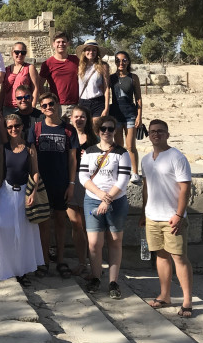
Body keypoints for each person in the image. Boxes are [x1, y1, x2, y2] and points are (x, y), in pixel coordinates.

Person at [141, 119, 193, 318]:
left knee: (179, 258)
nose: (156, 134)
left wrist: (179, 214)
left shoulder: (177, 157)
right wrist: (143, 213)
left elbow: (185, 188)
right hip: (152, 216)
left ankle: (187, 300)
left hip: (172, 217)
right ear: (149, 135)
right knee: (161, 256)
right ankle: (165, 295)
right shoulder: (146, 159)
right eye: (153, 131)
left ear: (167, 134)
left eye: (161, 131)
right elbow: (147, 188)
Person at [0, 114, 44, 285]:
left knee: (23, 233)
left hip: (25, 192)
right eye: (9, 127)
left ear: (22, 126)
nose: (13, 129)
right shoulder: (4, 148)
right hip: (6, 191)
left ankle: (21, 271)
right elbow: (0, 171)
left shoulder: (30, 147)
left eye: (16, 126)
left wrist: (32, 193)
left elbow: (35, 171)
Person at [79, 115, 131, 298]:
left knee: (115, 241)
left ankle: (113, 282)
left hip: (116, 201)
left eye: (110, 128)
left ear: (115, 130)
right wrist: (101, 196)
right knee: (94, 243)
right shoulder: (89, 151)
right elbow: (83, 177)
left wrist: (107, 200)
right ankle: (95, 277)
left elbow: (124, 178)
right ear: (98, 131)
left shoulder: (122, 153)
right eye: (104, 129)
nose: (107, 132)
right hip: (93, 199)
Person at [29, 92, 78, 279]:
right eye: (44, 105)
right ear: (41, 108)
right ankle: (44, 261)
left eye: (51, 104)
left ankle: (60, 259)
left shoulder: (68, 130)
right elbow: (32, 156)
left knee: (60, 222)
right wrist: (34, 183)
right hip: (42, 184)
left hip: (61, 182)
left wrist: (71, 183)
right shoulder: (36, 128)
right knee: (43, 223)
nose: (48, 108)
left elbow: (73, 159)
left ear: (57, 104)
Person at [68, 105, 98, 277]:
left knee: (89, 226)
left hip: (88, 183)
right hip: (70, 182)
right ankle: (81, 262)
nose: (79, 119)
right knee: (76, 224)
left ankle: (93, 263)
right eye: (76, 116)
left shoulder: (93, 139)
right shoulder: (66, 135)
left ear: (87, 119)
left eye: (82, 117)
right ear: (71, 118)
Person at [109, 51, 143, 184]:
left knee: (130, 146)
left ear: (128, 61)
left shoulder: (133, 77)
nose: (121, 63)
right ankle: (121, 171)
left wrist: (139, 116)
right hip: (116, 115)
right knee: (118, 146)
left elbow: (138, 98)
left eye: (124, 60)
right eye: (118, 60)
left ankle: (135, 173)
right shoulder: (111, 78)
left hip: (130, 115)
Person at [39, 32, 79, 120]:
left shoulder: (76, 60)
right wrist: (46, 102)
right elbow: (40, 84)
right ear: (53, 44)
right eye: (58, 42)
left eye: (63, 42)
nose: (61, 44)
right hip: (56, 106)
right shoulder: (47, 63)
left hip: (75, 105)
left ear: (68, 43)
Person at [75, 40, 110, 127]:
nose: (91, 52)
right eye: (88, 49)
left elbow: (106, 88)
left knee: (96, 130)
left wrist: (106, 108)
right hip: (83, 102)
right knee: (84, 130)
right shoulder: (79, 66)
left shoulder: (103, 66)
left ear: (97, 52)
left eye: (94, 50)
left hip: (98, 101)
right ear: (84, 52)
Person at [0, 42, 39, 116]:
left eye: (23, 52)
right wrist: (0, 108)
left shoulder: (30, 68)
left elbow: (35, 88)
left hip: (24, 107)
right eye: (17, 52)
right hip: (7, 108)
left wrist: (32, 107)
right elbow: (3, 91)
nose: (20, 55)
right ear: (12, 53)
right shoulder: (6, 69)